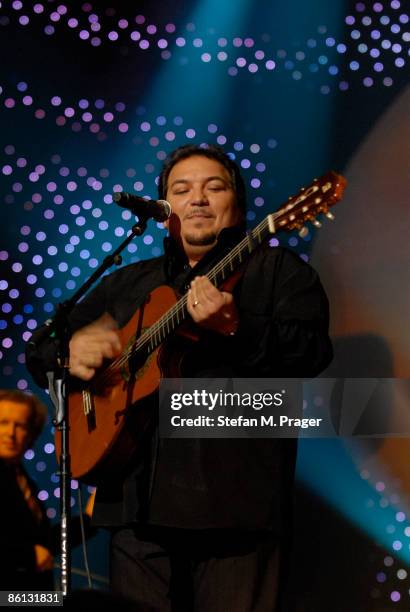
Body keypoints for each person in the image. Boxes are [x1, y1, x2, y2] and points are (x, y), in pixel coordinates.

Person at [26, 144, 332, 610]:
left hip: (236, 507)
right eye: (181, 190)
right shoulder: (128, 283)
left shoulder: (278, 272)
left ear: (239, 203)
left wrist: (236, 327)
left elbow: (312, 354)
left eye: (215, 187)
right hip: (134, 507)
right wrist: (68, 351)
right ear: (165, 208)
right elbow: (41, 347)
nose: (198, 199)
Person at [0, 389, 97, 591]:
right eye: (3, 423)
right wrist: (26, 555)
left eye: (20, 426)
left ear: (31, 434)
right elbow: (32, 550)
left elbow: (43, 542)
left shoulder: (20, 476)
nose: (10, 433)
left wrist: (88, 519)